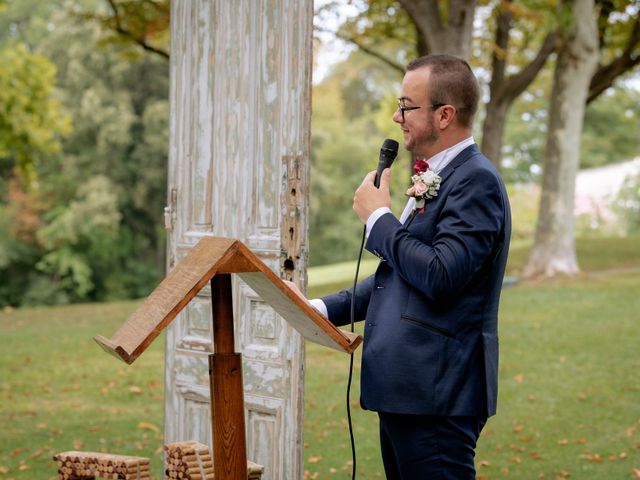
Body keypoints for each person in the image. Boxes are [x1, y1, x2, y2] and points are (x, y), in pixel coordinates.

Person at [302, 54, 511, 479]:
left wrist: (378, 219)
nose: (397, 117)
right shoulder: (436, 177)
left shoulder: (476, 181)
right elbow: (399, 277)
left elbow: (440, 275)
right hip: (407, 390)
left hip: (437, 392)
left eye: (406, 105)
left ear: (445, 114)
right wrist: (321, 309)